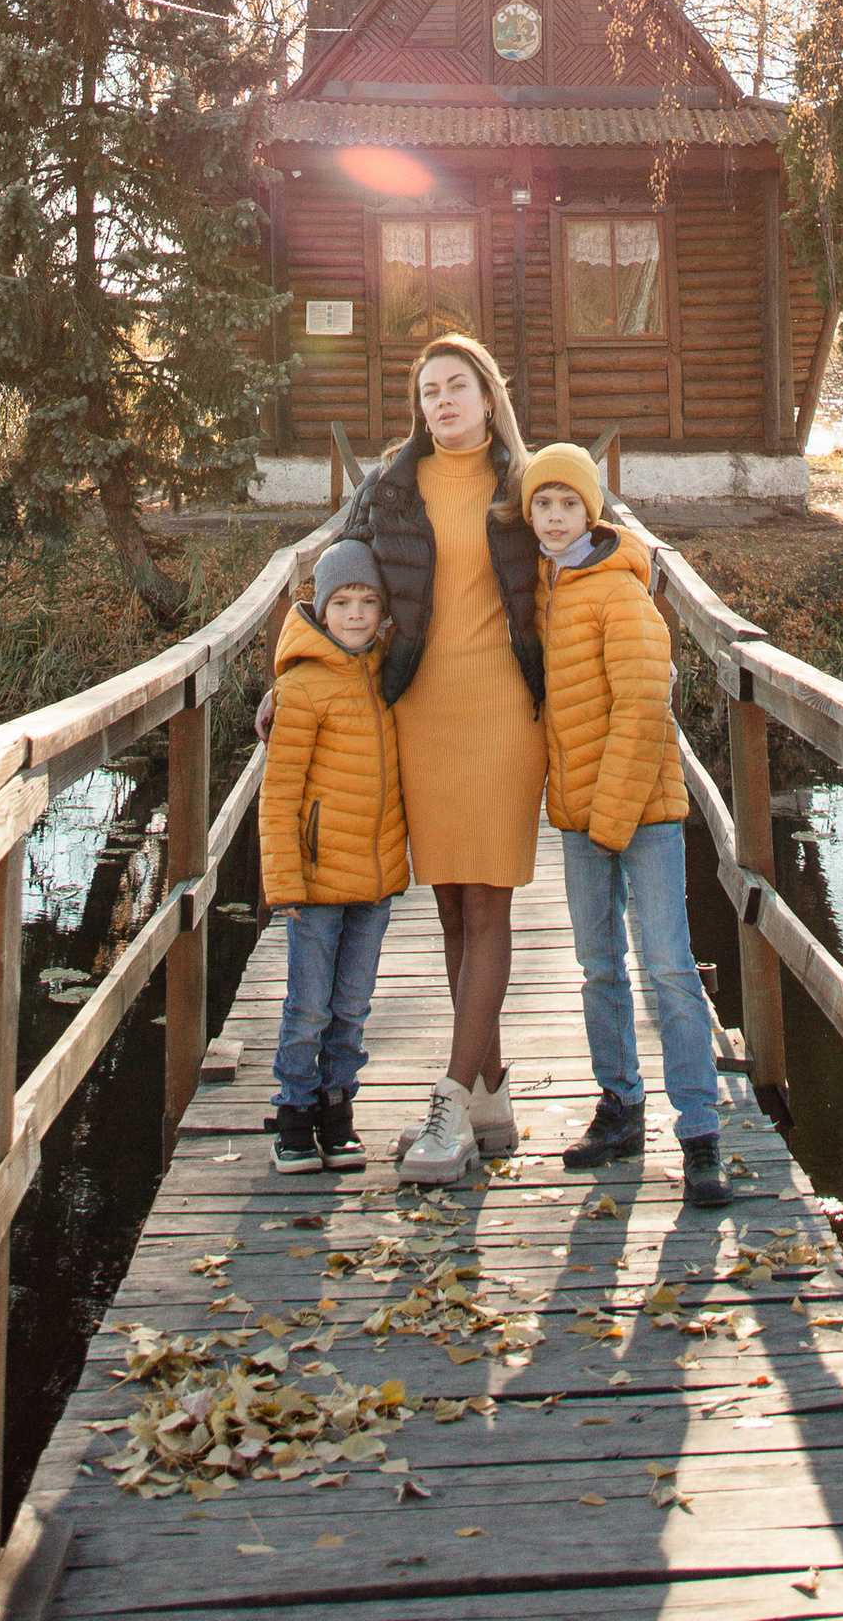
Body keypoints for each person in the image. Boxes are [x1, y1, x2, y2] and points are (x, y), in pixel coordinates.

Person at [330, 329, 544, 1183]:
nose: (443, 402)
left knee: (487, 902)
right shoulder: (390, 486)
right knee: (451, 906)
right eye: (429, 392)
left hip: (503, 713)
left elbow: (596, 556)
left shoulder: (526, 484)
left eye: (457, 386)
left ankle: (451, 1103)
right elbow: (338, 578)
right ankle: (490, 1099)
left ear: (489, 396)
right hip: (421, 711)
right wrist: (288, 673)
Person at [522, 439, 727, 1210]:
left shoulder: (619, 591)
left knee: (667, 966)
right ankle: (621, 1107)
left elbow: (644, 710)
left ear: (592, 512)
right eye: (542, 504)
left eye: (568, 504)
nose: (554, 517)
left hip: (643, 813)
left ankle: (700, 1134)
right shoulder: (544, 587)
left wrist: (605, 821)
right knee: (598, 965)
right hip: (581, 811)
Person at [258, 537, 410, 1173]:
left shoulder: (389, 672)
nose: (355, 615)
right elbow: (279, 795)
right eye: (342, 603)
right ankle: (294, 1112)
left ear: (383, 611)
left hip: (375, 878)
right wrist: (283, 882)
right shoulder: (301, 687)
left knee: (352, 1005)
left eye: (367, 602)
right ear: (321, 610)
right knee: (309, 1007)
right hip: (317, 882)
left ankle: (338, 1106)